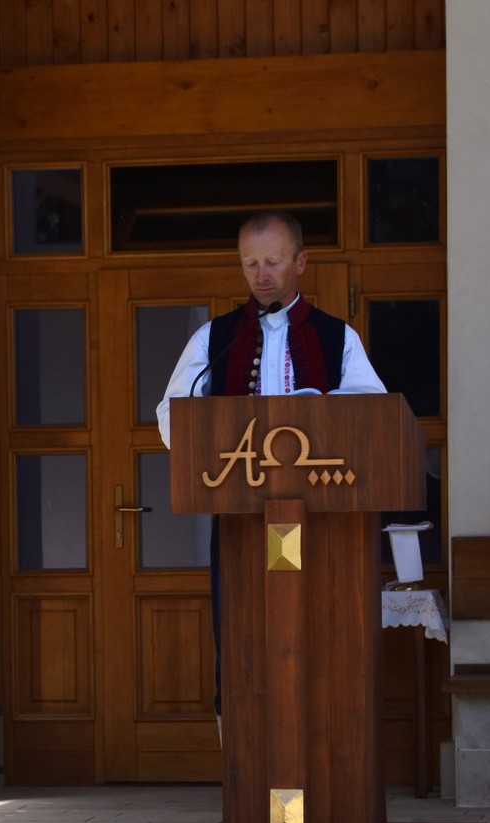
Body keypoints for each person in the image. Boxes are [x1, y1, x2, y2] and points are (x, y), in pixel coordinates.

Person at [156, 209, 386, 721]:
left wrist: (315, 412)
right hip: (242, 521)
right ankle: (244, 753)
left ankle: (325, 746)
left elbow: (372, 413)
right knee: (245, 643)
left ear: (300, 262)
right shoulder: (214, 339)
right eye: (250, 263)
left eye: (273, 262)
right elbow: (173, 416)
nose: (261, 276)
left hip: (324, 522)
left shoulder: (336, 337)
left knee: (321, 638)